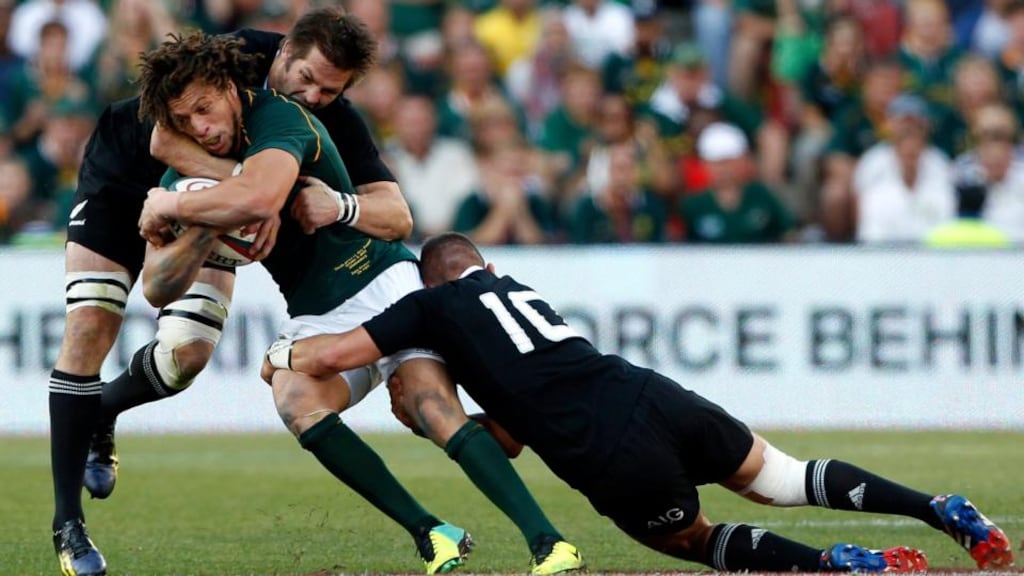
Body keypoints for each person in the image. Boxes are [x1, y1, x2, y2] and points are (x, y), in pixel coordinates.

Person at [50, 9, 579, 576]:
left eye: (332, 89)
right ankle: (433, 533)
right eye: (307, 78)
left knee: (427, 404)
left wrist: (201, 206)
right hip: (129, 182)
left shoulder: (290, 120)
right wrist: (202, 220)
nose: (316, 94)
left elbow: (377, 212)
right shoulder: (220, 73)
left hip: (374, 280)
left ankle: (549, 543)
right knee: (282, 396)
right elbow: (164, 203)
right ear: (278, 57)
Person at [267, 231, 1016, 574]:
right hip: (648, 391)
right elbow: (518, 424)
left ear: (432, 283)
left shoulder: (429, 310)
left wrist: (281, 355)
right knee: (783, 477)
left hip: (606, 449)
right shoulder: (514, 288)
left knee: (689, 540)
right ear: (487, 266)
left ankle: (835, 566)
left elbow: (334, 356)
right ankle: (938, 507)